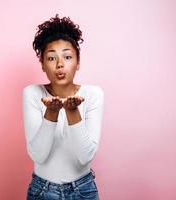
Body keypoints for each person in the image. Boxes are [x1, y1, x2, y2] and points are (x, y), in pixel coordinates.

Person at [23, 14, 104, 200]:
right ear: (42, 64)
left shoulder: (93, 95)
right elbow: (38, 155)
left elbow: (85, 157)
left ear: (78, 62)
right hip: (42, 191)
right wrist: (51, 112)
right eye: (51, 58)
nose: (60, 64)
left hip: (83, 190)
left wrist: (71, 111)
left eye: (67, 56)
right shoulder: (32, 94)